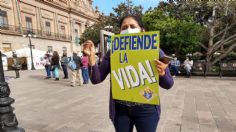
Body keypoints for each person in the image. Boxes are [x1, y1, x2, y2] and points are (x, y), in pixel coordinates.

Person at [84, 15, 174, 132]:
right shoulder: (113, 52)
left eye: (132, 26)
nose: (128, 29)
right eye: (124, 27)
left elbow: (169, 84)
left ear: (142, 30)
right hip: (120, 110)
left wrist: (161, 73)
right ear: (120, 31)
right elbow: (96, 79)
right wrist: (91, 59)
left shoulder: (155, 51)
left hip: (146, 109)